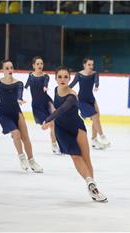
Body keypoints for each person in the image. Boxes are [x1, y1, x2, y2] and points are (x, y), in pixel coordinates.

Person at [42, 65, 107, 202]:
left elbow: (62, 109)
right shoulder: (55, 89)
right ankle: (90, 182)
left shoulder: (72, 96)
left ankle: (93, 189)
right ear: (55, 78)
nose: (62, 79)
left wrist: (48, 119)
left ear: (69, 78)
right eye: (59, 76)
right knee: (75, 156)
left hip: (77, 127)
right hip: (62, 130)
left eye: (65, 76)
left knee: (86, 157)